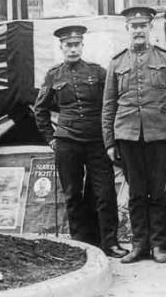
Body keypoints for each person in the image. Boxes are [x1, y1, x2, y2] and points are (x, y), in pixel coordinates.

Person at [34, 25, 128, 259]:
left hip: (97, 141)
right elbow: (40, 110)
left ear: (82, 46)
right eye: (68, 45)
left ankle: (110, 242)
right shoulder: (53, 75)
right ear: (62, 47)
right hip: (67, 142)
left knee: (104, 193)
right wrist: (51, 139)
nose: (73, 49)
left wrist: (110, 137)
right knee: (73, 195)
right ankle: (81, 244)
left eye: (77, 44)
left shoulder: (97, 73)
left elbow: (111, 104)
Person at [102, 6, 166, 264]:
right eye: (133, 26)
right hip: (127, 136)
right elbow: (109, 105)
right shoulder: (116, 62)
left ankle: (159, 245)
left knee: (158, 192)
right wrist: (109, 142)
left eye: (142, 26)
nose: (138, 31)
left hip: (158, 135)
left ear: (150, 28)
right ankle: (139, 245)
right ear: (127, 30)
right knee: (136, 193)